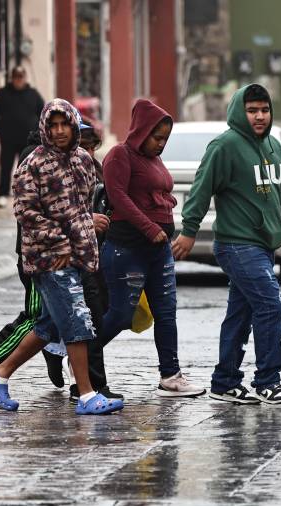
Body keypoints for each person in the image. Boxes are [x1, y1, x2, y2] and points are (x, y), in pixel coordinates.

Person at [172, 84, 281, 405]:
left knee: (241, 313)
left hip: (263, 246)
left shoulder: (275, 148)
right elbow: (200, 188)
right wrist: (189, 230)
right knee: (271, 305)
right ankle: (268, 381)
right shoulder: (224, 146)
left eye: (264, 110)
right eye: (252, 111)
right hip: (236, 244)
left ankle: (224, 382)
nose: (259, 116)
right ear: (240, 111)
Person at [0, 98, 122, 415]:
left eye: (64, 125)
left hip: (79, 256)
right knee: (76, 322)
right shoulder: (32, 165)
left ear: (74, 125)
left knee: (48, 327)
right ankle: (86, 395)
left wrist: (84, 235)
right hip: (48, 259)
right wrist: (67, 240)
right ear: (45, 127)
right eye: (52, 125)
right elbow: (26, 214)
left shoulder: (84, 161)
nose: (58, 132)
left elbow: (83, 207)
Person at [97, 99, 206, 398]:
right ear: (141, 131)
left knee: (166, 312)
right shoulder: (120, 155)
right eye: (157, 137)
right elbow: (118, 196)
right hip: (127, 249)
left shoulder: (154, 160)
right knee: (121, 314)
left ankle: (170, 375)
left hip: (158, 251)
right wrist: (149, 227)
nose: (161, 144)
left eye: (165, 139)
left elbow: (157, 194)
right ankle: (83, 359)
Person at [0, 66, 44, 208]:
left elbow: (43, 113)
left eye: (21, 77)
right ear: (12, 78)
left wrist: (37, 133)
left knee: (26, 168)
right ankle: (2, 194)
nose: (19, 80)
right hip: (8, 139)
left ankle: (26, 195)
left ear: (25, 78)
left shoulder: (33, 94)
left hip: (28, 141)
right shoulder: (2, 94)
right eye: (16, 77)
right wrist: (0, 129)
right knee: (6, 167)